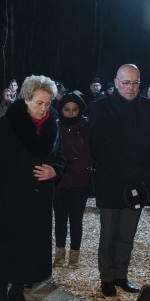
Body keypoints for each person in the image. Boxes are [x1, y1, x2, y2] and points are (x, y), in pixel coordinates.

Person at [0, 75, 64, 301]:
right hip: (10, 196)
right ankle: (1, 289)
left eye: (48, 103)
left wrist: (54, 171)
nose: (43, 108)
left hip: (38, 198)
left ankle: (17, 290)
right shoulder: (7, 124)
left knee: (30, 245)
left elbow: (61, 157)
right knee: (7, 243)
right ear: (26, 98)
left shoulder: (53, 125)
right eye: (39, 103)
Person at [90, 64, 150, 296]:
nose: (130, 87)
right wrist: (124, 172)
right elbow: (99, 146)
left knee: (128, 234)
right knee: (108, 234)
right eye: (125, 83)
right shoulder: (100, 108)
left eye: (134, 83)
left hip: (138, 181)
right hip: (111, 181)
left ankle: (121, 274)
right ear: (116, 82)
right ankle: (106, 277)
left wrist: (141, 172)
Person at [53, 91, 93, 268]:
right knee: (60, 218)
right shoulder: (55, 126)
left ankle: (74, 254)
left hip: (79, 180)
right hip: (60, 180)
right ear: (61, 110)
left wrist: (81, 167)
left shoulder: (87, 126)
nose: (70, 113)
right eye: (66, 109)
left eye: (74, 109)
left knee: (76, 219)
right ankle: (59, 252)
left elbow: (92, 151)